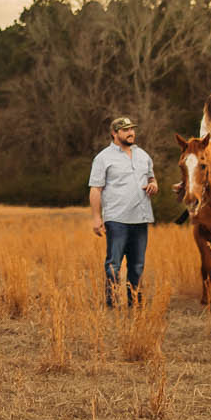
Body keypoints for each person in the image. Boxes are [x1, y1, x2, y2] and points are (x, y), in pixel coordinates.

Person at [88, 116, 157, 308]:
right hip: (117, 218)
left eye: (132, 129)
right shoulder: (103, 158)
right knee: (114, 265)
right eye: (125, 130)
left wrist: (154, 185)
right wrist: (96, 218)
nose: (131, 133)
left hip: (141, 218)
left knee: (137, 265)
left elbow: (152, 178)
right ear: (114, 133)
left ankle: (134, 302)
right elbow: (95, 189)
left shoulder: (143, 155)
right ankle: (112, 303)